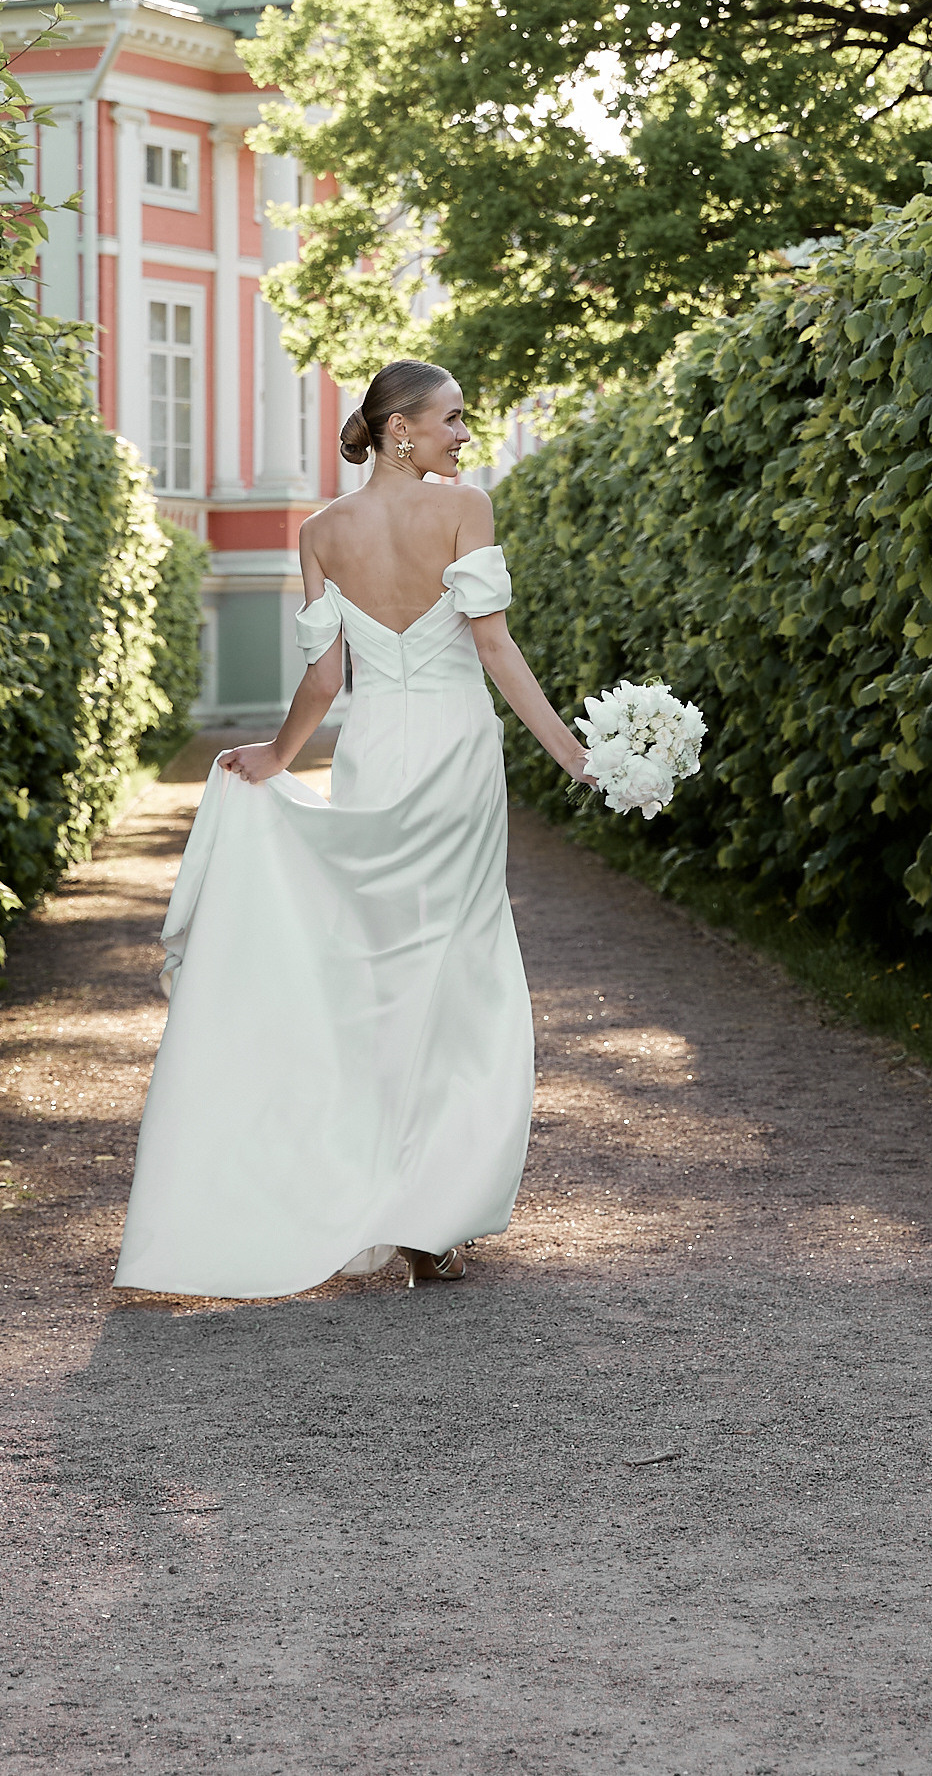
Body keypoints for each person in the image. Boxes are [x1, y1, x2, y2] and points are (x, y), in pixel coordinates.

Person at [112, 358, 596, 1300]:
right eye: (453, 419)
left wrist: (279, 759)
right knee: (459, 964)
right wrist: (576, 756)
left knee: (383, 965)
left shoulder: (321, 530)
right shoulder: (467, 508)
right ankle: (432, 1214)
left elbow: (327, 679)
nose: (466, 434)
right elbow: (494, 648)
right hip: (455, 753)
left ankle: (387, 1192)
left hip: (376, 752)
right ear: (400, 428)